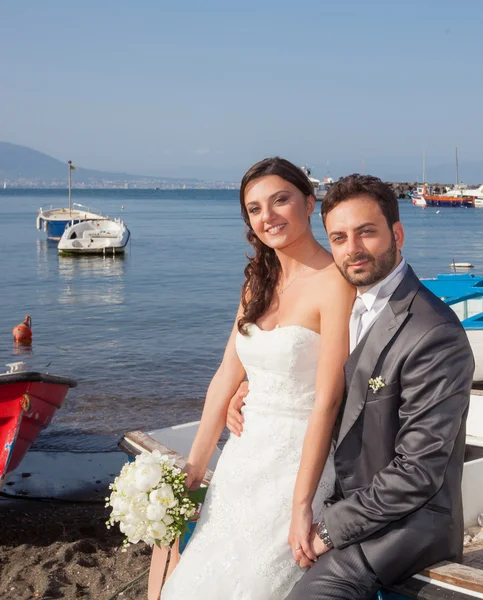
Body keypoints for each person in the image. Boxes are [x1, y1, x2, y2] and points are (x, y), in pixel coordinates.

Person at [227, 173, 474, 599]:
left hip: (405, 523)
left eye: (366, 233)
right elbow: (317, 380)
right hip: (336, 496)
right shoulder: (347, 304)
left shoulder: (434, 333)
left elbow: (417, 472)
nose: (353, 249)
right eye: (339, 238)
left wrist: (327, 529)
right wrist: (253, 384)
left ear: (397, 233)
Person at [160, 157, 354, 599]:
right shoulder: (256, 283)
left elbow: (327, 399)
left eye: (279, 200)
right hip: (242, 459)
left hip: (296, 465)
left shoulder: (335, 282)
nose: (268, 217)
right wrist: (194, 467)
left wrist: (302, 505)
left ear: (309, 203)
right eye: (254, 208)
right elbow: (227, 374)